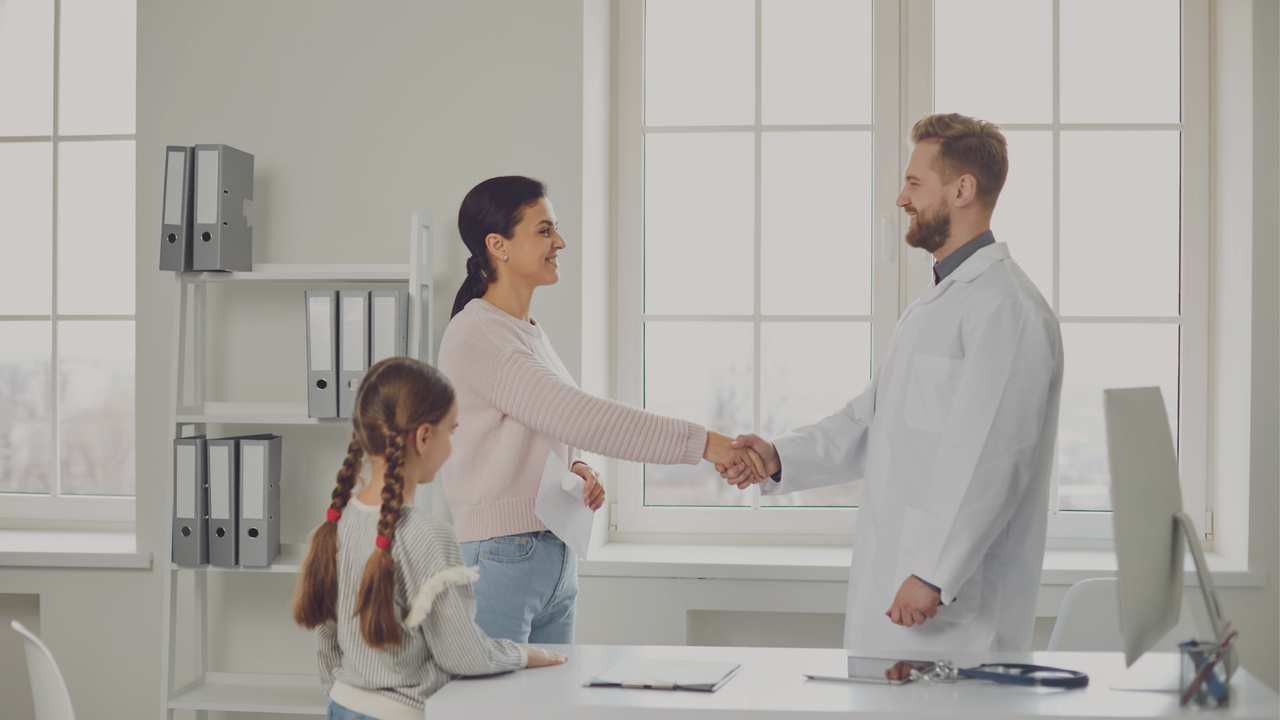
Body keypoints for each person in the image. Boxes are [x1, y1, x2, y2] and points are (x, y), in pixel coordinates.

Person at [719, 113, 1064, 653]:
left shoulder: (1006, 308)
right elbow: (871, 421)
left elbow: (995, 458)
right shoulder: (936, 304)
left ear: (962, 189)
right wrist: (778, 455)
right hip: (900, 594)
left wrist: (933, 574)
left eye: (914, 183)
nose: (901, 199)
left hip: (956, 613)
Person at [437, 175, 763, 644]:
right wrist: (709, 445)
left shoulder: (525, 331)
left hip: (547, 553)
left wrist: (574, 467)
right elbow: (580, 415)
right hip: (503, 558)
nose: (560, 242)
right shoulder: (479, 333)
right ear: (498, 245)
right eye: (545, 230)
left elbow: (538, 430)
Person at [292, 356, 567, 720]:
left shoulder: (334, 527)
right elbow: (461, 655)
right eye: (451, 431)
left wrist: (339, 699)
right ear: (423, 437)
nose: (452, 447)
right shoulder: (429, 536)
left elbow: (325, 639)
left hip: (342, 705)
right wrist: (522, 654)